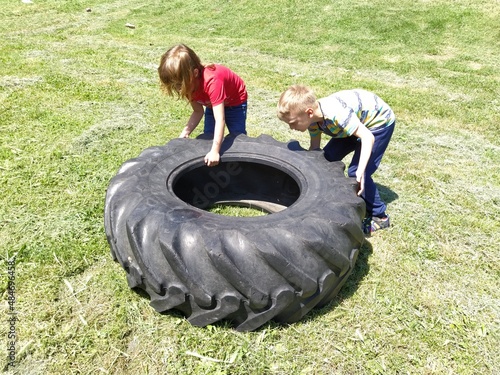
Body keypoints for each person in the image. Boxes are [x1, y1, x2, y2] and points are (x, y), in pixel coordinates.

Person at [277, 85, 395, 234]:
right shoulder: (313, 121)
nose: (291, 127)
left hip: (377, 125)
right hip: (351, 126)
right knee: (325, 160)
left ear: (309, 112)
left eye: (292, 122)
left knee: (357, 173)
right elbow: (315, 150)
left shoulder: (336, 114)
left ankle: (380, 216)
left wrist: (360, 171)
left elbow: (367, 137)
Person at [158, 44, 248, 167]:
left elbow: (219, 120)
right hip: (212, 104)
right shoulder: (188, 86)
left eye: (179, 85)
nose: (178, 89)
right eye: (175, 86)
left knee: (238, 137)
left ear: (195, 73)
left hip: (235, 101)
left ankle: (240, 167)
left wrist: (215, 151)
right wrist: (185, 132)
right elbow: (198, 111)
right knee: (208, 138)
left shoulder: (212, 81)